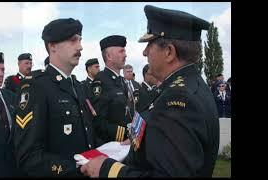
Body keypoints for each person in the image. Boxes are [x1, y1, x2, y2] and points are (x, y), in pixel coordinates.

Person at [81, 5, 219, 177]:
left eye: (150, 44)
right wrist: (137, 138)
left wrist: (107, 169)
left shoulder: (178, 99)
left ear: (169, 52)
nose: (144, 52)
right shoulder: (190, 85)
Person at [13, 18, 95, 177]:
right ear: (52, 46)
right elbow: (28, 157)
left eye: (80, 40)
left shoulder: (77, 86)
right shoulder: (35, 87)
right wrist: (76, 169)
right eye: (73, 40)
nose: (80, 47)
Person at [90, 35, 132, 145]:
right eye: (121, 51)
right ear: (109, 56)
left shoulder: (122, 81)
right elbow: (98, 122)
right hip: (112, 146)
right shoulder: (100, 81)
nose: (125, 55)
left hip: (127, 143)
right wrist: (125, 133)